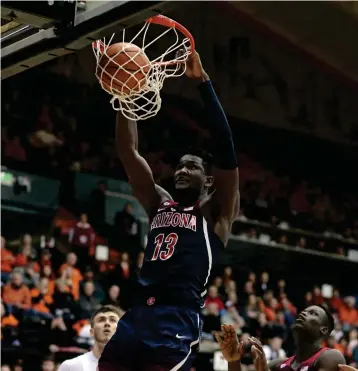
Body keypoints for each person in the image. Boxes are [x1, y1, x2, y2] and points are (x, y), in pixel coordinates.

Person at [99, 50, 239, 371]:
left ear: (210, 181)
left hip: (176, 319)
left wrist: (204, 84)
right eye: (179, 166)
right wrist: (126, 94)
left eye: (191, 167)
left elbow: (226, 149)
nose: (181, 170)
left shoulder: (215, 211)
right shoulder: (159, 202)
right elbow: (128, 152)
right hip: (137, 316)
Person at [216, 305, 346, 371]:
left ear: (323, 329)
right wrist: (233, 361)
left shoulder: (330, 357)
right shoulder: (277, 364)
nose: (303, 313)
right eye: (303, 311)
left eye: (312, 313)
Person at [58, 305, 121, 371]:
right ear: (91, 332)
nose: (107, 323)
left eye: (113, 320)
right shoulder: (71, 366)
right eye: (101, 320)